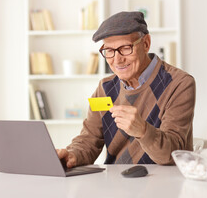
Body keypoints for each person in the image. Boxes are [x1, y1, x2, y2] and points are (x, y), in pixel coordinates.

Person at [57, 11, 195, 167]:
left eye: (125, 48)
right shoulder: (104, 89)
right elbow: (89, 140)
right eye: (109, 51)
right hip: (117, 184)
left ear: (146, 44)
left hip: (166, 184)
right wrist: (72, 155)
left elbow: (173, 155)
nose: (117, 59)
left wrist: (143, 131)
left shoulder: (179, 84)